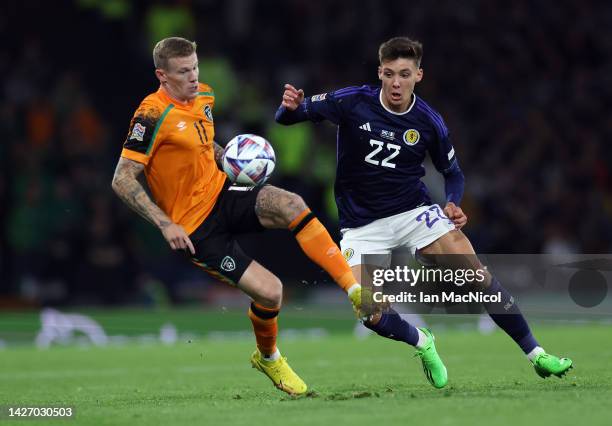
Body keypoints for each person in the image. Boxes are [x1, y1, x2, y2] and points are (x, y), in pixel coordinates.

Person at [275, 36, 572, 389]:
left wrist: (452, 202)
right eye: (389, 74)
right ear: (380, 73)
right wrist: (289, 106)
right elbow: (289, 117)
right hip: (361, 225)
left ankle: (536, 354)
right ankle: (422, 341)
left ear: (419, 75)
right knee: (369, 312)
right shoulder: (352, 101)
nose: (396, 82)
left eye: (404, 74)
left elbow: (453, 173)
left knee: (475, 275)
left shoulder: (429, 122)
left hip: (414, 212)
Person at [111, 37, 361, 396]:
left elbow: (202, 144)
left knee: (291, 203)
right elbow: (122, 177)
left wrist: (228, 157)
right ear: (162, 76)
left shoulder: (205, 96)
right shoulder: (151, 114)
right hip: (196, 229)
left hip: (222, 193)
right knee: (272, 293)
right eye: (184, 72)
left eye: (195, 67)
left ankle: (353, 289)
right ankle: (269, 357)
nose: (194, 77)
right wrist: (165, 223)